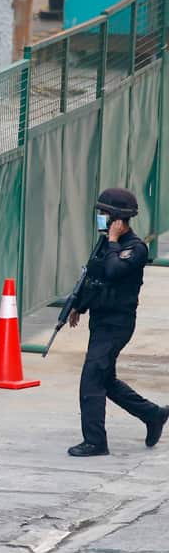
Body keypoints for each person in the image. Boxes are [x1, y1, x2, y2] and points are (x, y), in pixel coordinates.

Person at [66, 188, 169, 457]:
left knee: (91, 379)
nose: (100, 218)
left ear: (119, 219)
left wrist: (112, 240)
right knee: (105, 380)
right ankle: (152, 414)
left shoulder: (134, 248)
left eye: (105, 215)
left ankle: (95, 441)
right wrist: (79, 305)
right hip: (101, 320)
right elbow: (95, 277)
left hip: (118, 324)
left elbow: (113, 272)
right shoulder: (106, 244)